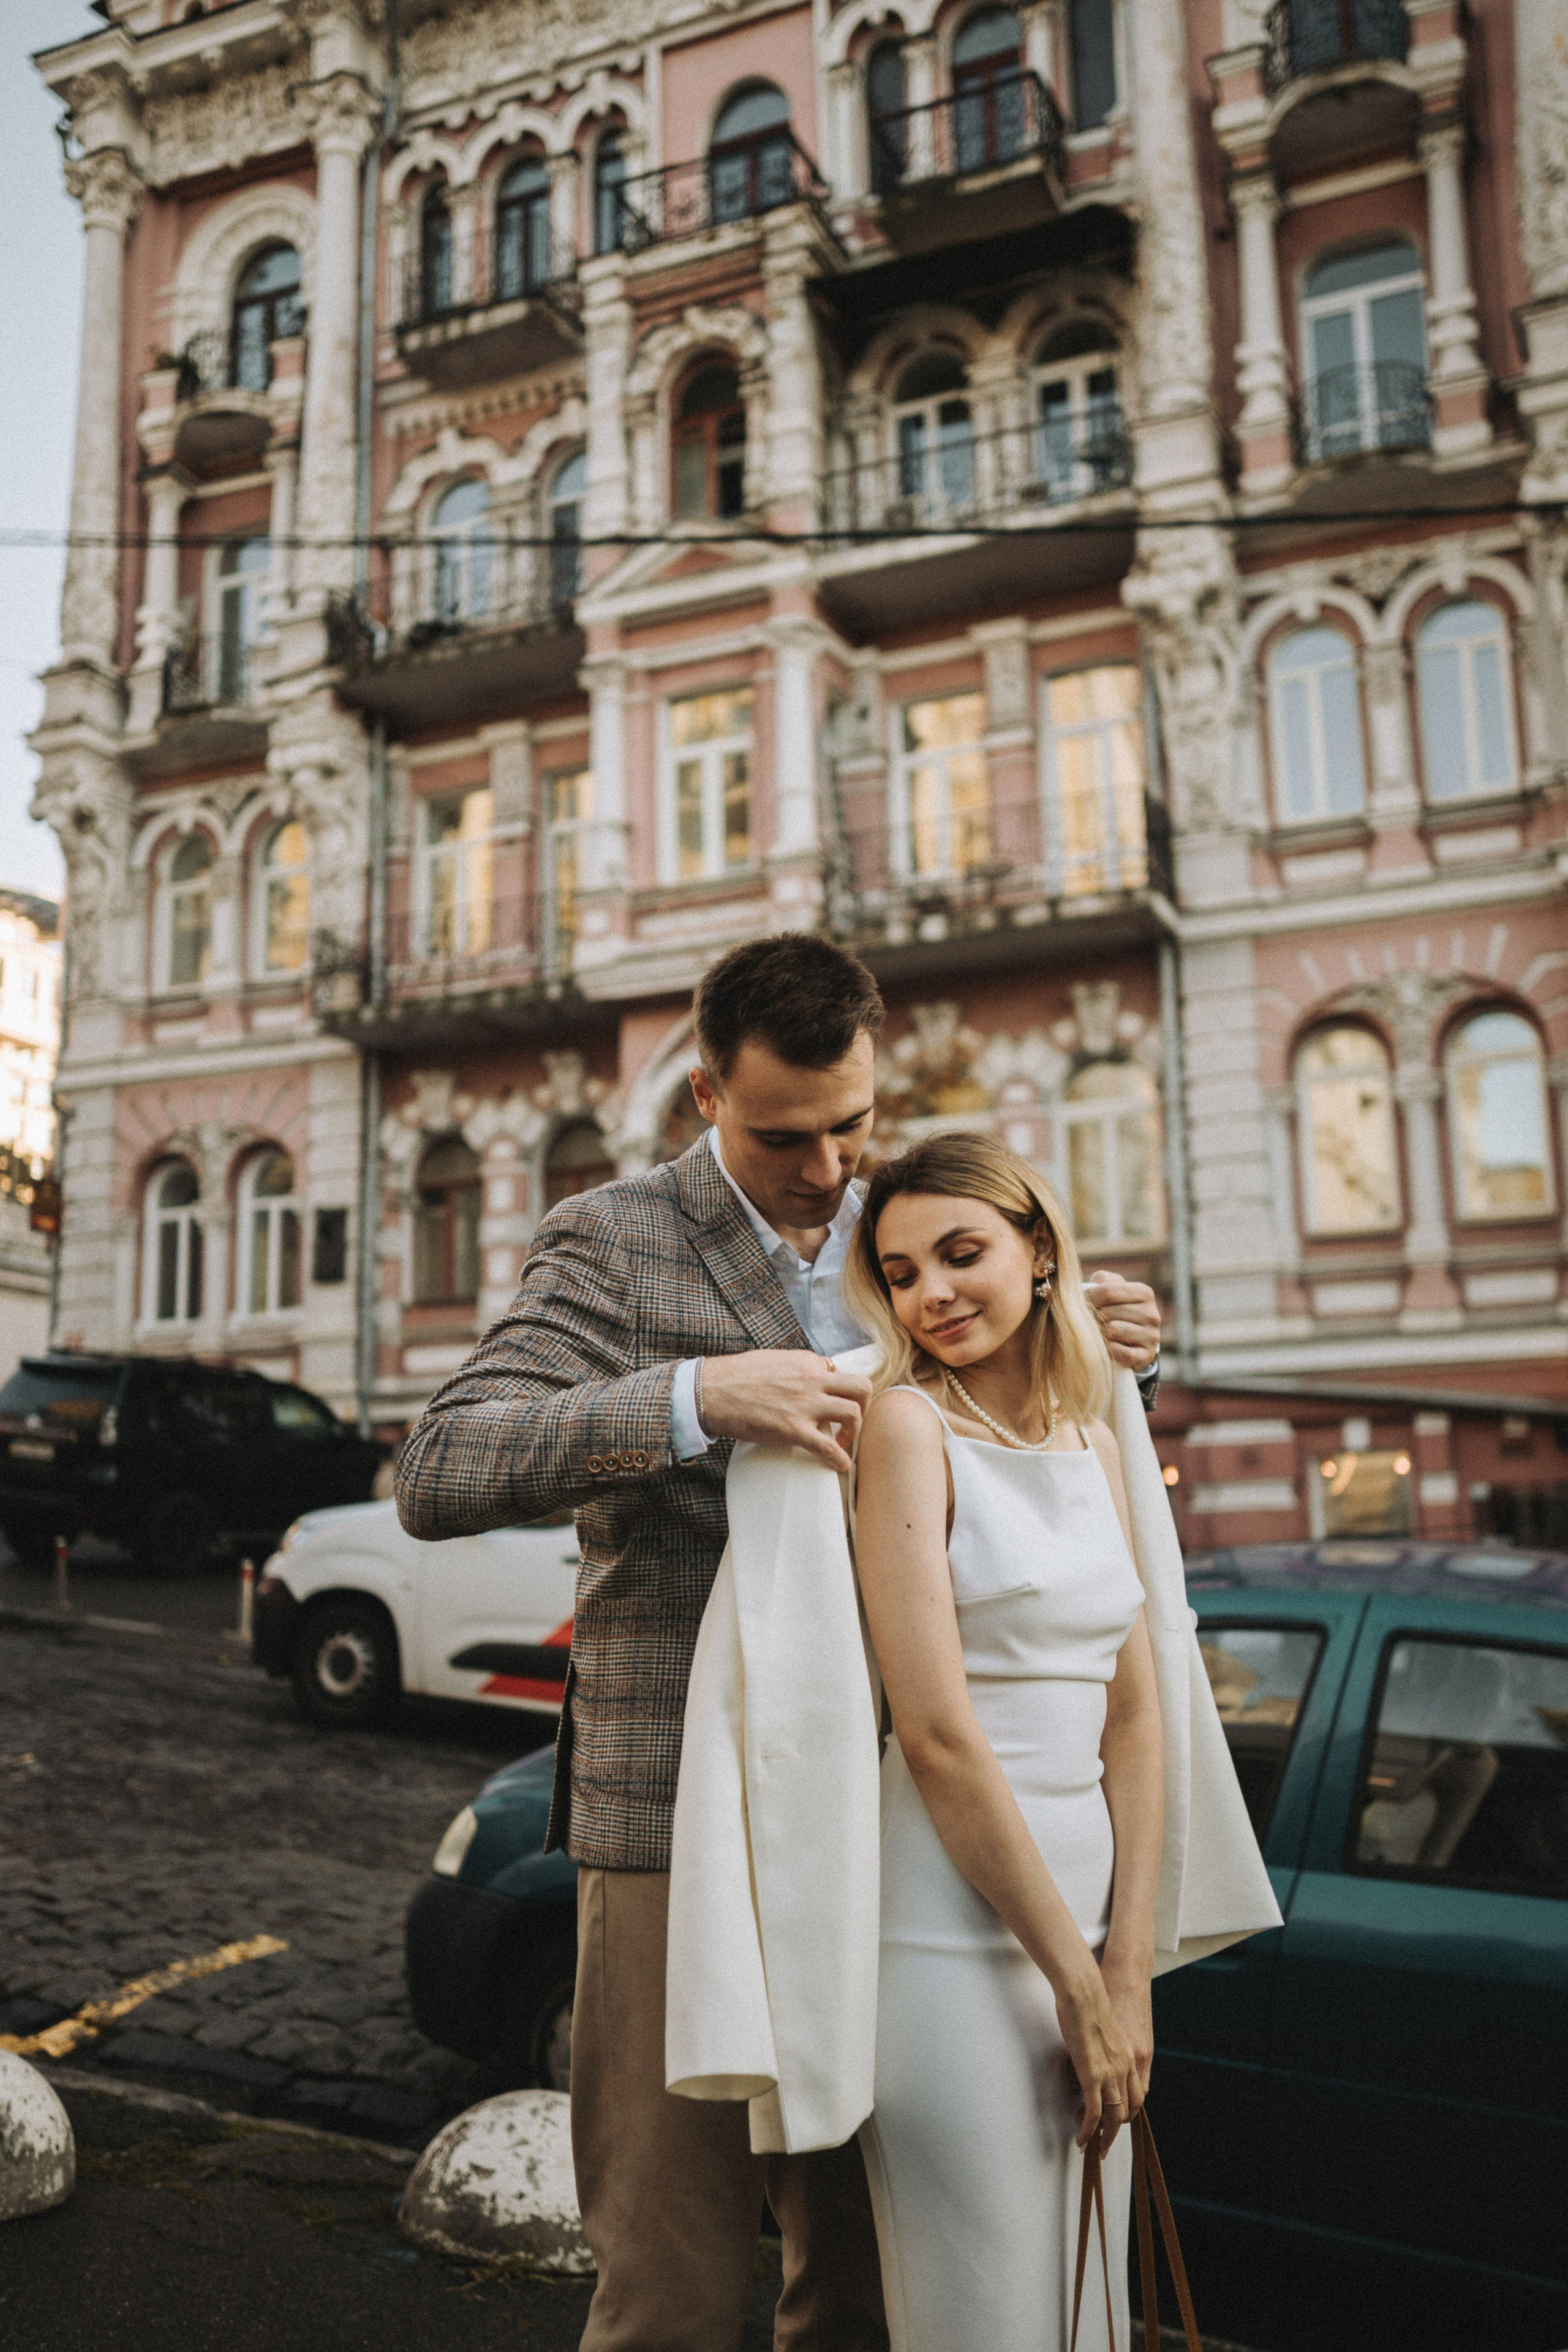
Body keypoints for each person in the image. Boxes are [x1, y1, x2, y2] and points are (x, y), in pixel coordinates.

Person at [394, 934, 1161, 2352]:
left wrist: (1091, 1344)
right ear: (702, 1095)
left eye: (850, 1125)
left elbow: (1020, 1467)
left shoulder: (910, 1237)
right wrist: (690, 1396)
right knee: (675, 2283)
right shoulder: (608, 1239)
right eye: (782, 1135)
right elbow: (436, 1471)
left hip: (896, 1841)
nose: (825, 1167)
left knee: (870, 2286)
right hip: (676, 1825)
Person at [840, 1129, 1166, 2352]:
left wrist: (1125, 1969)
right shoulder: (905, 1429)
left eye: (958, 1252)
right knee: (983, 2309)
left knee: (1087, 2303)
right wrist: (1077, 1991)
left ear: (1037, 1251)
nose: (930, 1293)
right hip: (944, 1928)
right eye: (901, 1272)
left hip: (1090, 1923)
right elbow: (932, 1732)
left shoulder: (1092, 1437)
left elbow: (1132, 1714)